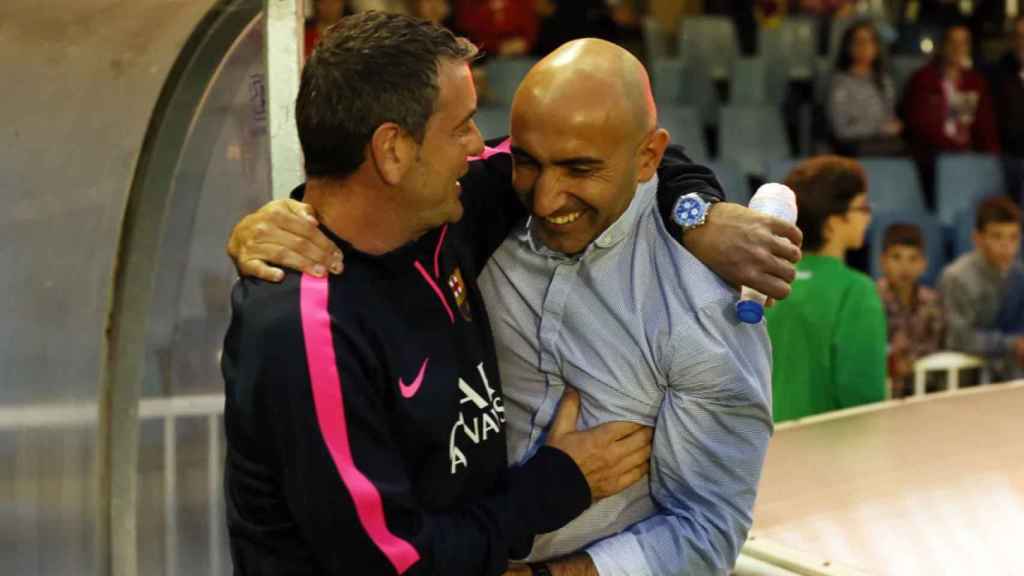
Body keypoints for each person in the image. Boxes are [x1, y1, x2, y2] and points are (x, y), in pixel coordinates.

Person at [231, 36, 787, 575]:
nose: (479, 146)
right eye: (461, 128)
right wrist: (561, 483)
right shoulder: (307, 329)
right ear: (393, 150)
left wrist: (695, 211)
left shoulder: (456, 212)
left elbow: (615, 143)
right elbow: (395, 565)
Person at [765, 156, 887, 422]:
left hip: (759, 449)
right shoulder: (856, 291)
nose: (868, 216)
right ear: (832, 223)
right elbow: (862, 394)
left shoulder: (761, 283)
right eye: (862, 207)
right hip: (829, 452)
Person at [901, 22, 1000, 205]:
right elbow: (920, 126)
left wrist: (989, 158)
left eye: (963, 43)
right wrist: (956, 151)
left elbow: (985, 126)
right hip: (933, 160)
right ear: (942, 45)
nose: (957, 48)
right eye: (953, 42)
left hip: (968, 159)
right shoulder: (923, 79)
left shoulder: (974, 81)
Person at [939, 196, 1024, 381]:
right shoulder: (956, 277)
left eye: (1013, 237)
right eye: (997, 236)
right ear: (977, 238)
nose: (1006, 246)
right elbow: (959, 339)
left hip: (1013, 373)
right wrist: (1012, 344)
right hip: (968, 374)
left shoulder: (1020, 275)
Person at [876, 223, 944, 398]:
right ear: (882, 261)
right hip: (884, 391)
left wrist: (912, 362)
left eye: (913, 259)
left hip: (926, 390)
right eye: (896, 257)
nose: (905, 267)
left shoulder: (932, 301)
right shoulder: (872, 299)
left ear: (923, 264)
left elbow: (939, 345)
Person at [827, 20, 905, 156]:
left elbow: (890, 119)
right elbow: (841, 130)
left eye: (870, 41)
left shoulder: (884, 81)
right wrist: (878, 129)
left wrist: (893, 127)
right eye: (859, 41)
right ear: (848, 47)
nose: (865, 47)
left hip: (885, 143)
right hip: (855, 147)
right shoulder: (840, 83)